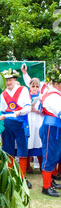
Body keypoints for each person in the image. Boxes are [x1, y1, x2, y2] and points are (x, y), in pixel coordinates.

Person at [0, 69, 32, 188]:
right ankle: (10, 177)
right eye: (7, 80)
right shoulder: (3, 94)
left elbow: (28, 107)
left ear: (15, 79)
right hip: (7, 124)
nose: (8, 82)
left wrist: (20, 112)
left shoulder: (23, 90)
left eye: (10, 79)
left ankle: (22, 177)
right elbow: (2, 111)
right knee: (8, 150)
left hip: (21, 123)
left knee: (22, 150)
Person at [39, 65, 61, 197]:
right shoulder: (53, 96)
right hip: (51, 127)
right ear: (57, 83)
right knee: (49, 154)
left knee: (54, 154)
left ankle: (50, 181)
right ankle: (46, 186)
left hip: (54, 127)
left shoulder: (54, 94)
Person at [26, 77, 44, 172]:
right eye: (33, 86)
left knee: (39, 143)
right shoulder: (25, 96)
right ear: (30, 86)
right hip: (28, 122)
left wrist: (37, 111)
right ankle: (28, 166)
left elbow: (45, 111)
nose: (35, 88)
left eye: (37, 86)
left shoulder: (41, 97)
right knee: (28, 143)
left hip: (38, 122)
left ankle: (42, 166)